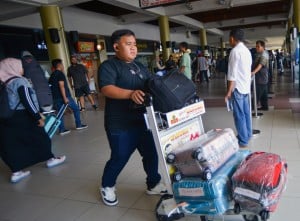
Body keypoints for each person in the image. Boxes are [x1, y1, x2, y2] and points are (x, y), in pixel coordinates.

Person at [98, 29, 166, 206]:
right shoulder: (109, 66)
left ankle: (153, 183)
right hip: (120, 123)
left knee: (151, 154)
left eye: (135, 44)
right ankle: (107, 185)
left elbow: (152, 84)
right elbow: (106, 88)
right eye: (129, 44)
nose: (134, 48)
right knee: (119, 157)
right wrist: (130, 94)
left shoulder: (139, 67)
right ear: (116, 46)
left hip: (142, 121)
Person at [0, 58, 66, 183]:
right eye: (20, 66)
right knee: (40, 137)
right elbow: (27, 100)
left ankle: (16, 172)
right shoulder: (19, 81)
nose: (23, 69)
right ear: (13, 68)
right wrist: (37, 117)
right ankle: (50, 159)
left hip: (8, 118)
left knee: (11, 144)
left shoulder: (4, 83)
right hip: (24, 116)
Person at [225, 29, 252, 148]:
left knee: (239, 115)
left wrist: (229, 91)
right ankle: (247, 134)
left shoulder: (234, 51)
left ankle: (243, 140)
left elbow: (232, 74)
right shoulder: (246, 51)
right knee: (246, 113)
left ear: (232, 38)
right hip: (246, 87)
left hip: (237, 88)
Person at [49, 58, 88, 135]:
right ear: (59, 65)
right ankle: (79, 125)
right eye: (62, 64)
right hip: (64, 97)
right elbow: (61, 86)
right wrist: (65, 98)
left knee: (60, 113)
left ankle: (62, 129)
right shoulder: (60, 74)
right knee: (76, 109)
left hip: (55, 98)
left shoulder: (52, 75)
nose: (63, 66)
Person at [251, 40, 269, 111]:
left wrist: (253, 72)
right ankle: (265, 106)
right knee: (264, 92)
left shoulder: (264, 54)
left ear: (263, 47)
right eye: (256, 46)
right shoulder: (259, 53)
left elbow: (260, 65)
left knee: (257, 92)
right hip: (262, 76)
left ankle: (252, 107)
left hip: (261, 76)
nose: (256, 48)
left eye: (258, 46)